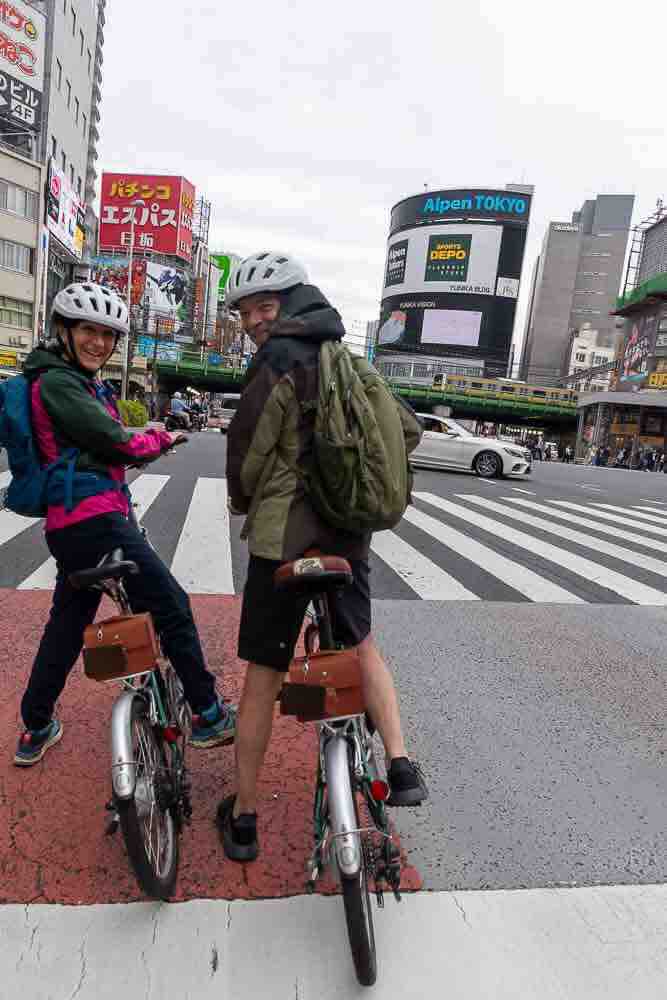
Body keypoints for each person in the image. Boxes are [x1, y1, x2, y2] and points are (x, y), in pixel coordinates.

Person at [218, 252, 428, 861]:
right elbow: (406, 431)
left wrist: (242, 497)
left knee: (263, 675)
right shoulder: (349, 360)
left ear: (290, 301)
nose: (254, 319)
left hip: (281, 541)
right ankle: (400, 761)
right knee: (362, 647)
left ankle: (247, 816)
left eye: (264, 306)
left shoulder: (274, 363)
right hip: (347, 537)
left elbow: (249, 453)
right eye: (246, 311)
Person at [14, 282, 236, 766]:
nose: (99, 342)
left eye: (108, 335)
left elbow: (91, 446)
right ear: (63, 332)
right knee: (171, 603)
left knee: (67, 625)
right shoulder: (58, 382)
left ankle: (35, 726)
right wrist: (157, 440)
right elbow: (112, 439)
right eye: (88, 331)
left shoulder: (74, 381)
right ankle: (208, 713)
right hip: (96, 522)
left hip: (74, 525)